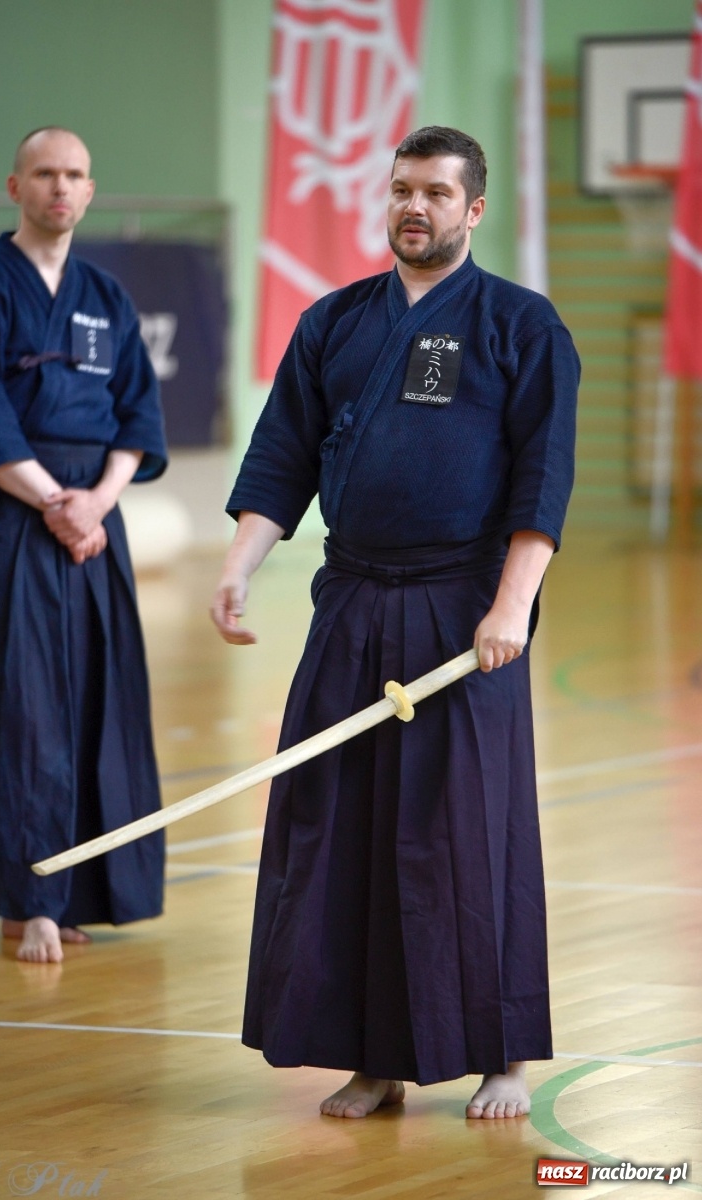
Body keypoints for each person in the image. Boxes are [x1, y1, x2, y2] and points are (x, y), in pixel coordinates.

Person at [211, 126, 579, 1119]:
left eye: (436, 193)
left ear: (474, 210)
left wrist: (510, 607)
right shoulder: (335, 323)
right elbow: (281, 456)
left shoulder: (522, 325)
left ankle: (501, 1050)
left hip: (465, 613)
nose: (414, 206)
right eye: (402, 190)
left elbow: (543, 482)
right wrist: (241, 567)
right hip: (354, 602)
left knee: (468, 829)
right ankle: (370, 1055)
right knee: (343, 828)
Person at [0, 127, 168, 965]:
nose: (59, 188)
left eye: (73, 175)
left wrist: (96, 502)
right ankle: (28, 900)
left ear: (90, 190)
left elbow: (138, 416)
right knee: (23, 706)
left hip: (95, 518)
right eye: (43, 174)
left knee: (101, 699)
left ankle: (84, 890)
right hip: (11, 516)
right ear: (15, 186)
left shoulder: (106, 293)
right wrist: (56, 506)